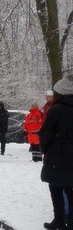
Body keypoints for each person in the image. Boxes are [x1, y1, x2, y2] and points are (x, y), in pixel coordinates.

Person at [39, 75, 73, 230]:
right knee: (70, 191)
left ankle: (59, 220)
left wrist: (44, 149)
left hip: (57, 158)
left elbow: (46, 134)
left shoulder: (56, 110)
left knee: (56, 190)